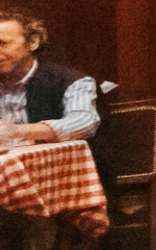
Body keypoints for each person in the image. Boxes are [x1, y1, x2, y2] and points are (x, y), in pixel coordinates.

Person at [0, 9, 97, 147]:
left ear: (33, 42)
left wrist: (17, 131)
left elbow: (85, 122)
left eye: (3, 44)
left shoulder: (72, 81)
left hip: (60, 165)